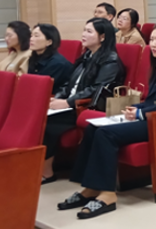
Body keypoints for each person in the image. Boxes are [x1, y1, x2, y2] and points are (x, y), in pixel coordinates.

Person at [58, 21, 156, 219]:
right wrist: (137, 108)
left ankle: (107, 194)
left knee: (106, 134)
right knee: (92, 128)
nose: (154, 44)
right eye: (152, 40)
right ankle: (91, 187)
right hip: (152, 117)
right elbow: (152, 100)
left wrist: (141, 114)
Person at [41, 18, 126, 183]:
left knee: (47, 123)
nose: (83, 35)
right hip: (71, 103)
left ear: (102, 37)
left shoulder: (110, 59)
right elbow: (69, 84)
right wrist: (58, 97)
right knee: (37, 117)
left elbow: (97, 89)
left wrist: (67, 103)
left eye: (89, 31)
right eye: (84, 30)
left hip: (86, 107)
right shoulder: (87, 55)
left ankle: (47, 172)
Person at [28, 23, 73, 94]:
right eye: (31, 36)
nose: (31, 39)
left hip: (54, 97)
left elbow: (41, 87)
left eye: (36, 36)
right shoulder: (34, 58)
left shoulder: (57, 63)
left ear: (49, 42)